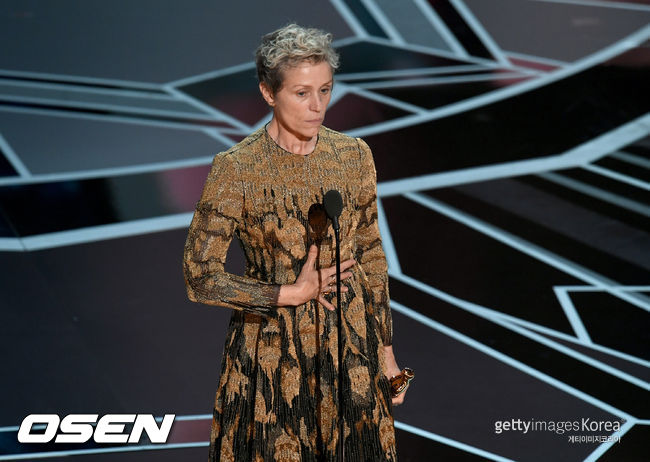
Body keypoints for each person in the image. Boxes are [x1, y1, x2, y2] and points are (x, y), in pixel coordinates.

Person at [183, 23, 408, 462]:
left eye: (325, 90)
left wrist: (386, 352)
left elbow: (371, 255)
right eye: (301, 93)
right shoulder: (237, 168)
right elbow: (200, 278)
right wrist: (290, 293)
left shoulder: (353, 155)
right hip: (271, 353)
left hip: (351, 349)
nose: (317, 106)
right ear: (269, 93)